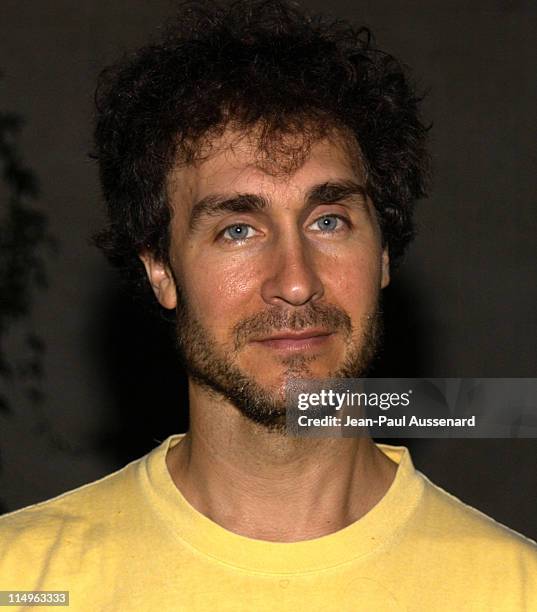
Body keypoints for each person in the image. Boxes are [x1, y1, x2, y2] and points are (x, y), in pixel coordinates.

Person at [1, 1, 536, 609]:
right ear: (160, 270)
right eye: (237, 229)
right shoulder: (24, 580)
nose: (296, 281)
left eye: (329, 221)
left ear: (384, 254)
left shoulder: (513, 589)